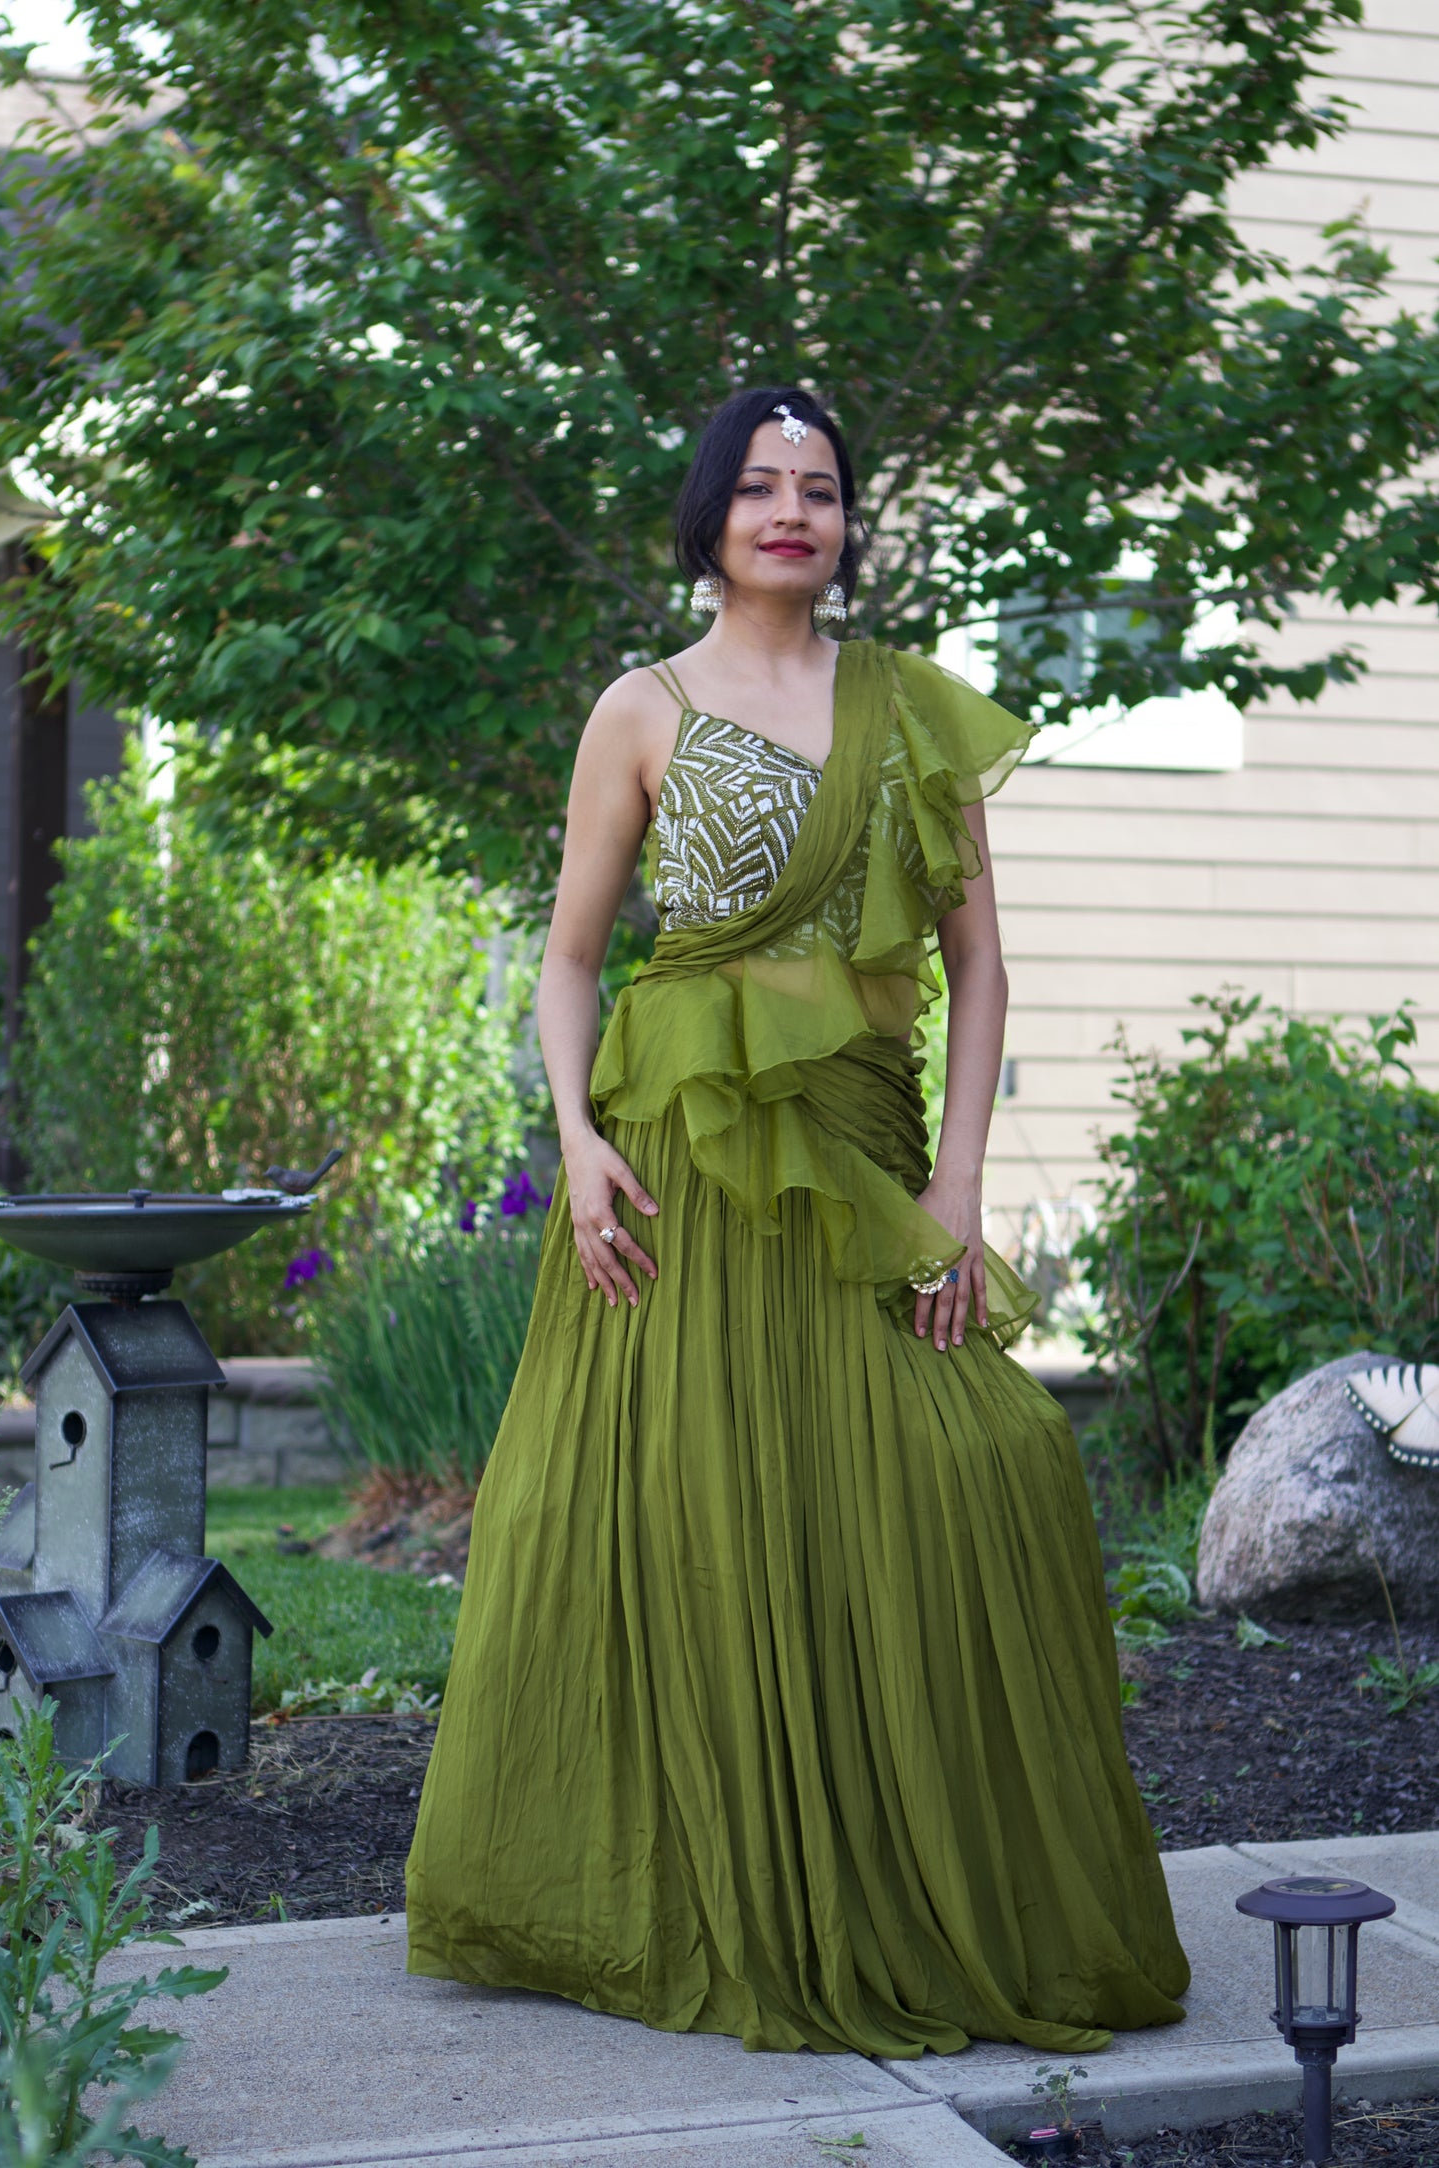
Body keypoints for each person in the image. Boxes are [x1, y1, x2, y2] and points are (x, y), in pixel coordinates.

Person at [405, 385, 1190, 2058]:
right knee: (695, 1511)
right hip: (674, 1162)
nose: (789, 511)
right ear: (707, 519)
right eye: (757, 486)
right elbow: (569, 959)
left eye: (817, 489)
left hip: (866, 1152)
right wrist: (574, 1141)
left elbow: (977, 965)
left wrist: (960, 1184)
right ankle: (701, 1883)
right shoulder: (644, 705)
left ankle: (917, 1881)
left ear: (846, 526)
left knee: (981, 1465)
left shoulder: (907, 706)